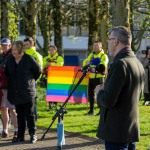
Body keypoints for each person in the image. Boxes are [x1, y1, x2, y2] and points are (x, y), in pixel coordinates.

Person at [95, 26, 145, 150]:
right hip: (130, 128)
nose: (108, 44)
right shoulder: (137, 63)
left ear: (116, 41)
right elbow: (138, 96)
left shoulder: (120, 64)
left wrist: (99, 92)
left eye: (109, 40)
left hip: (116, 131)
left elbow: (108, 100)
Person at [5, 40, 41, 143]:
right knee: (19, 114)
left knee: (29, 114)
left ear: (21, 50)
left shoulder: (29, 59)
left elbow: (38, 71)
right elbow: (7, 73)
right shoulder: (10, 60)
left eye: (16, 50)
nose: (14, 52)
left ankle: (32, 134)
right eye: (13, 50)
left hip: (28, 91)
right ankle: (20, 136)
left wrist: (30, 81)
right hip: (15, 92)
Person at [83, 41, 108, 115]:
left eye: (97, 45)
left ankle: (101, 111)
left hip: (99, 77)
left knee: (100, 94)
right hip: (91, 76)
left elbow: (102, 64)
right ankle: (91, 111)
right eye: (94, 45)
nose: (95, 47)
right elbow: (85, 63)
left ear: (101, 47)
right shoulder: (91, 55)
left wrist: (92, 64)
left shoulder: (103, 55)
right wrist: (88, 63)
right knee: (91, 94)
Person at [0, 38, 18, 140]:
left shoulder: (14, 56)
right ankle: (5, 129)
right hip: (1, 86)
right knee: (3, 108)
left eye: (6, 45)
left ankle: (16, 130)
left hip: (11, 86)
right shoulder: (0, 56)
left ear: (10, 45)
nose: (4, 47)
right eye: (2, 45)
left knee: (12, 109)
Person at [23, 37, 43, 121]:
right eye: (24, 45)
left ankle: (33, 119)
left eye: (27, 44)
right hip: (23, 81)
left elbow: (39, 70)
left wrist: (34, 80)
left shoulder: (35, 55)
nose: (25, 46)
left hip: (32, 82)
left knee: (32, 102)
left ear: (32, 44)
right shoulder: (23, 54)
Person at [43, 45, 64, 111]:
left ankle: (55, 105)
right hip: (47, 77)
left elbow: (59, 65)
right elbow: (43, 65)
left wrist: (50, 64)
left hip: (55, 78)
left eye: (52, 50)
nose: (51, 51)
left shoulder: (59, 58)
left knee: (55, 92)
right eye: (49, 50)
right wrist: (46, 65)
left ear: (55, 50)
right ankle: (50, 106)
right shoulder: (46, 58)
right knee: (49, 92)